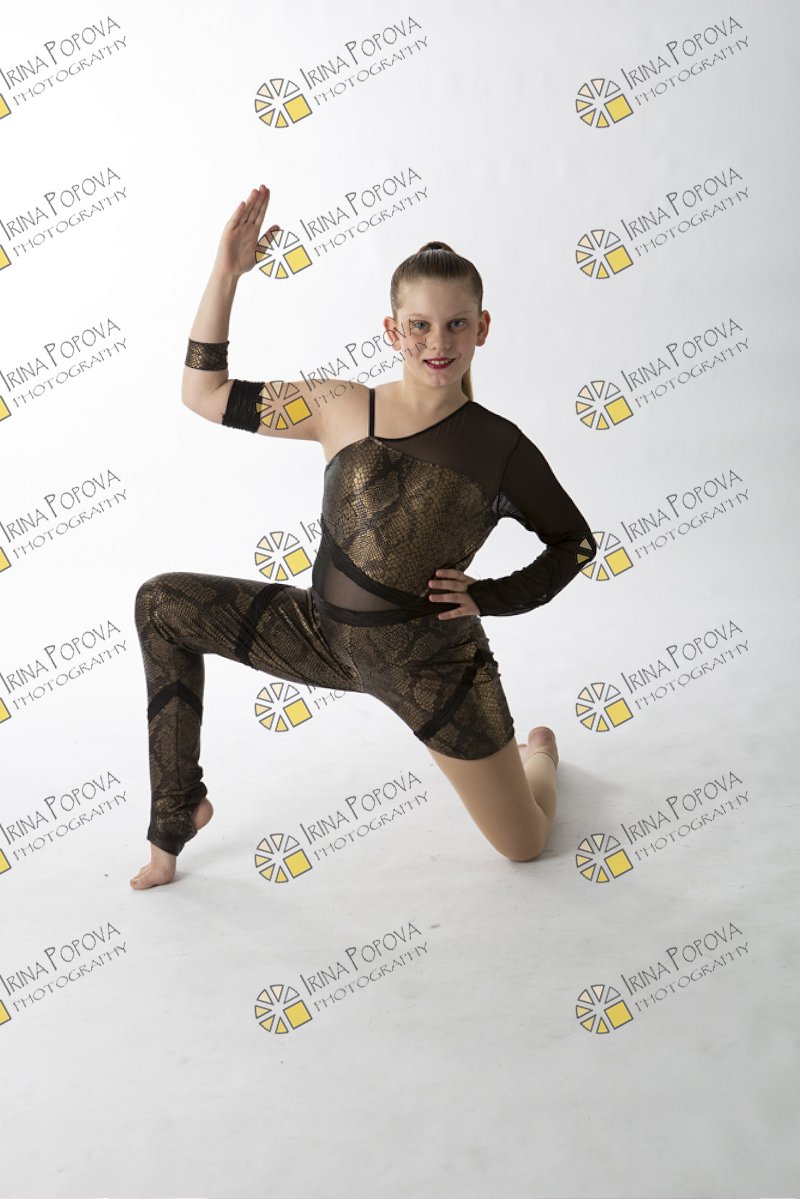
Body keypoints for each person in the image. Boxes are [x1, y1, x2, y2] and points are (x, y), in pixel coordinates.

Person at [130, 184, 598, 890]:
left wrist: (490, 597)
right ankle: (175, 816)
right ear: (391, 330)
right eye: (419, 325)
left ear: (482, 328)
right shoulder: (340, 405)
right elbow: (205, 394)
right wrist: (227, 274)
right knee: (162, 604)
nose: (437, 343)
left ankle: (540, 759)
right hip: (319, 636)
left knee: (524, 845)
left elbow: (575, 542)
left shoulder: (501, 447)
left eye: (456, 325)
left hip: (432, 666)